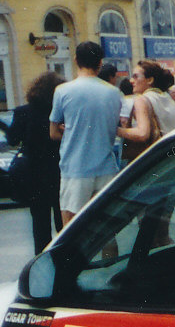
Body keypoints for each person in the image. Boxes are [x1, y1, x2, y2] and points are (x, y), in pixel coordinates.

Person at [49, 40, 124, 226]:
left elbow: (53, 133)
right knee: (106, 232)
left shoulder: (62, 91)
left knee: (71, 230)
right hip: (107, 169)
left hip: (75, 170)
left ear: (75, 60)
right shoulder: (114, 93)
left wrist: (68, 131)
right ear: (100, 63)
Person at [7, 71, 64, 253]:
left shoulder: (23, 112)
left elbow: (11, 139)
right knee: (63, 220)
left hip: (34, 173)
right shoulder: (61, 112)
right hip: (60, 171)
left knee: (40, 223)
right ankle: (63, 257)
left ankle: (41, 261)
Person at [117, 59, 175, 163]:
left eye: (135, 76)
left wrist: (116, 131)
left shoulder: (142, 100)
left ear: (150, 80)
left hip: (156, 164)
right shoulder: (171, 101)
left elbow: (142, 133)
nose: (131, 81)